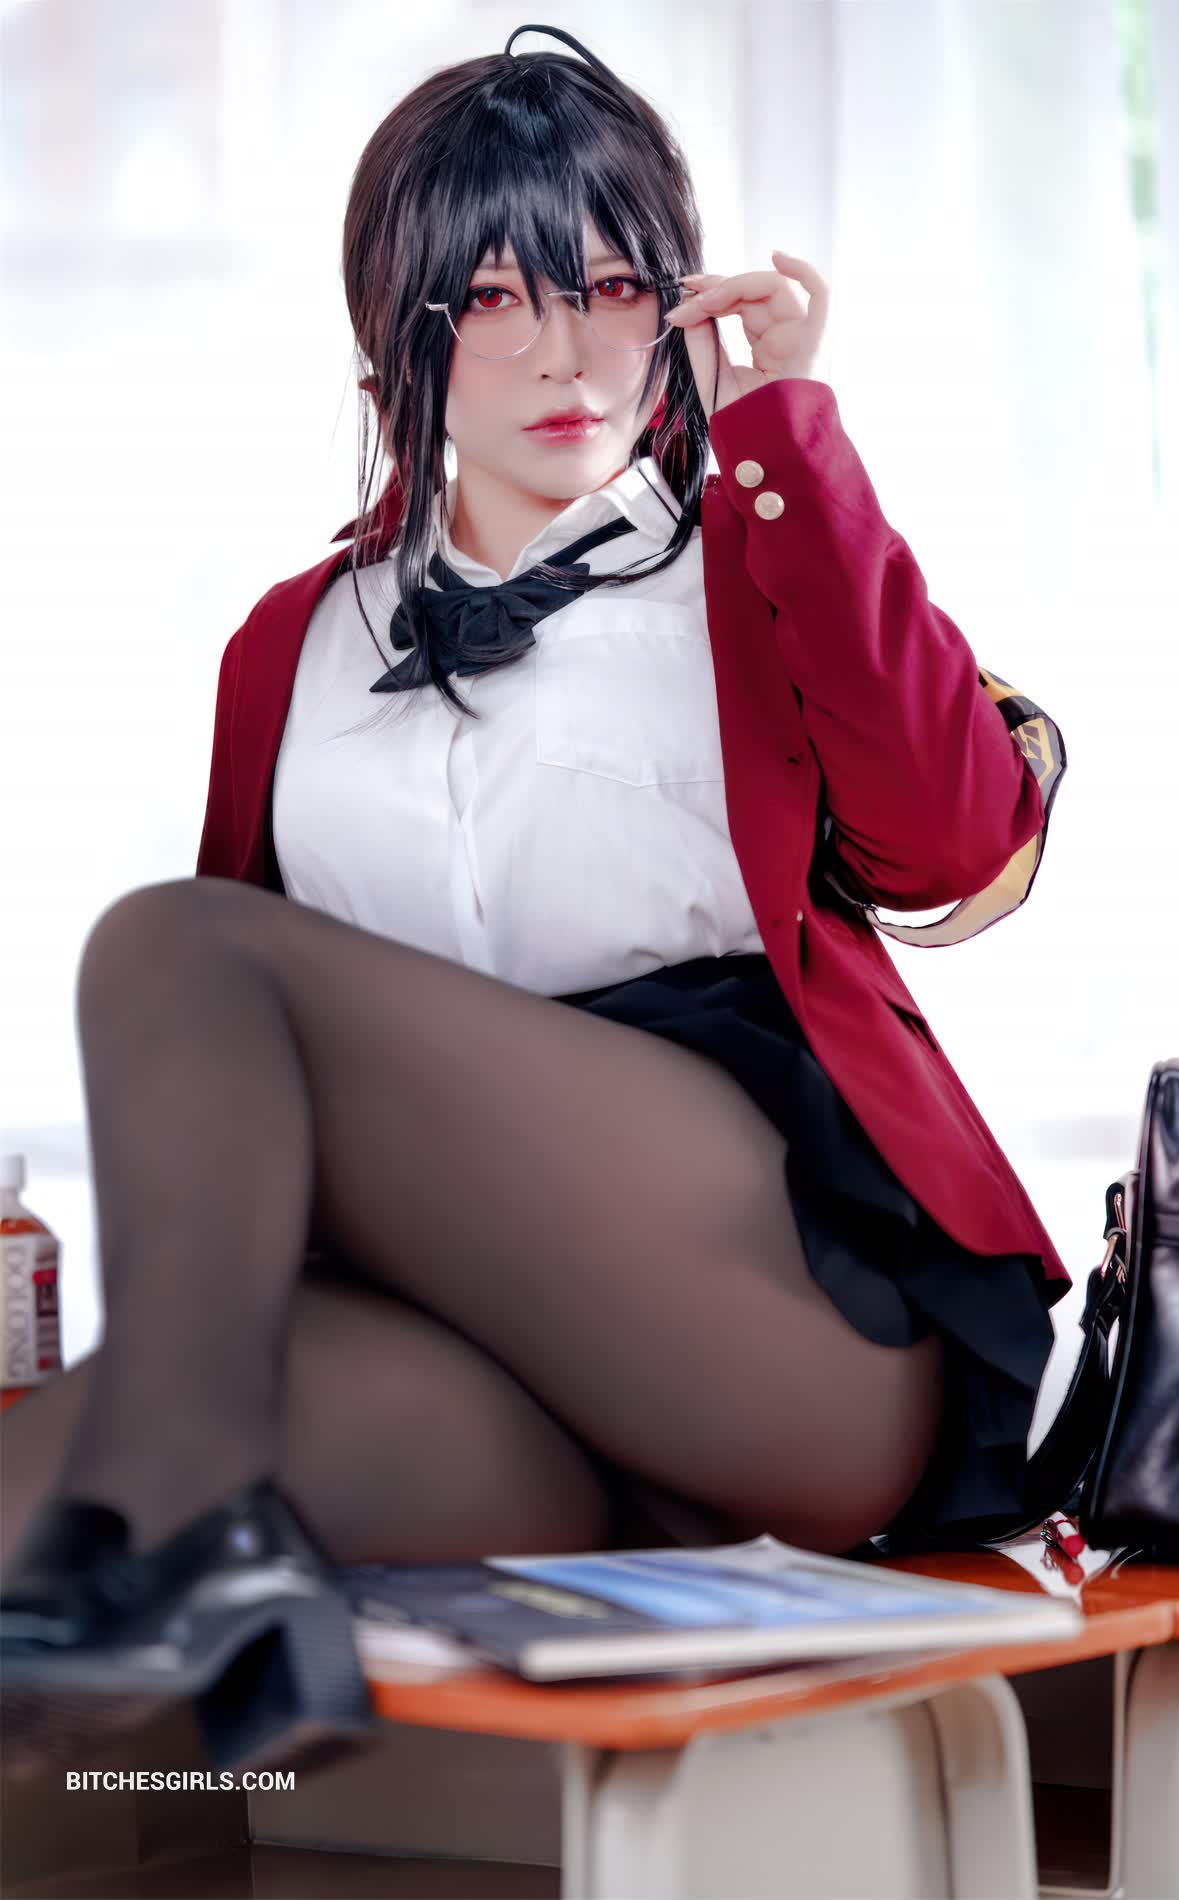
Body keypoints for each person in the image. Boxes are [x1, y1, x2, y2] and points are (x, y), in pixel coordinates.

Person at [0, 23, 1070, 1779]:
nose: (567, 351)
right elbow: (244, 1113)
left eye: (611, 287)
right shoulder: (294, 647)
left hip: (778, 1334)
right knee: (35, 1501)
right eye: (495, 299)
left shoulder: (755, 558)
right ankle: (194, 1558)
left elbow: (955, 841)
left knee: (174, 949)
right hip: (517, 1411)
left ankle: (191, 1550)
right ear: (398, 337)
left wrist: (787, 438)